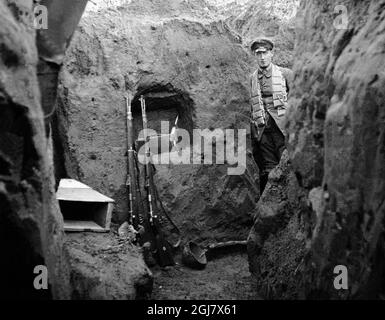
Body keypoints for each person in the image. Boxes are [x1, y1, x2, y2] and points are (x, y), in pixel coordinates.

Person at [249, 37, 293, 193]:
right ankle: (272, 200)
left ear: (271, 54)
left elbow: (297, 99)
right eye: (258, 54)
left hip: (282, 127)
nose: (261, 57)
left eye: (265, 53)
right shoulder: (253, 78)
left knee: (286, 163)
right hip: (263, 128)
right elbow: (253, 103)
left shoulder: (285, 74)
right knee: (269, 166)